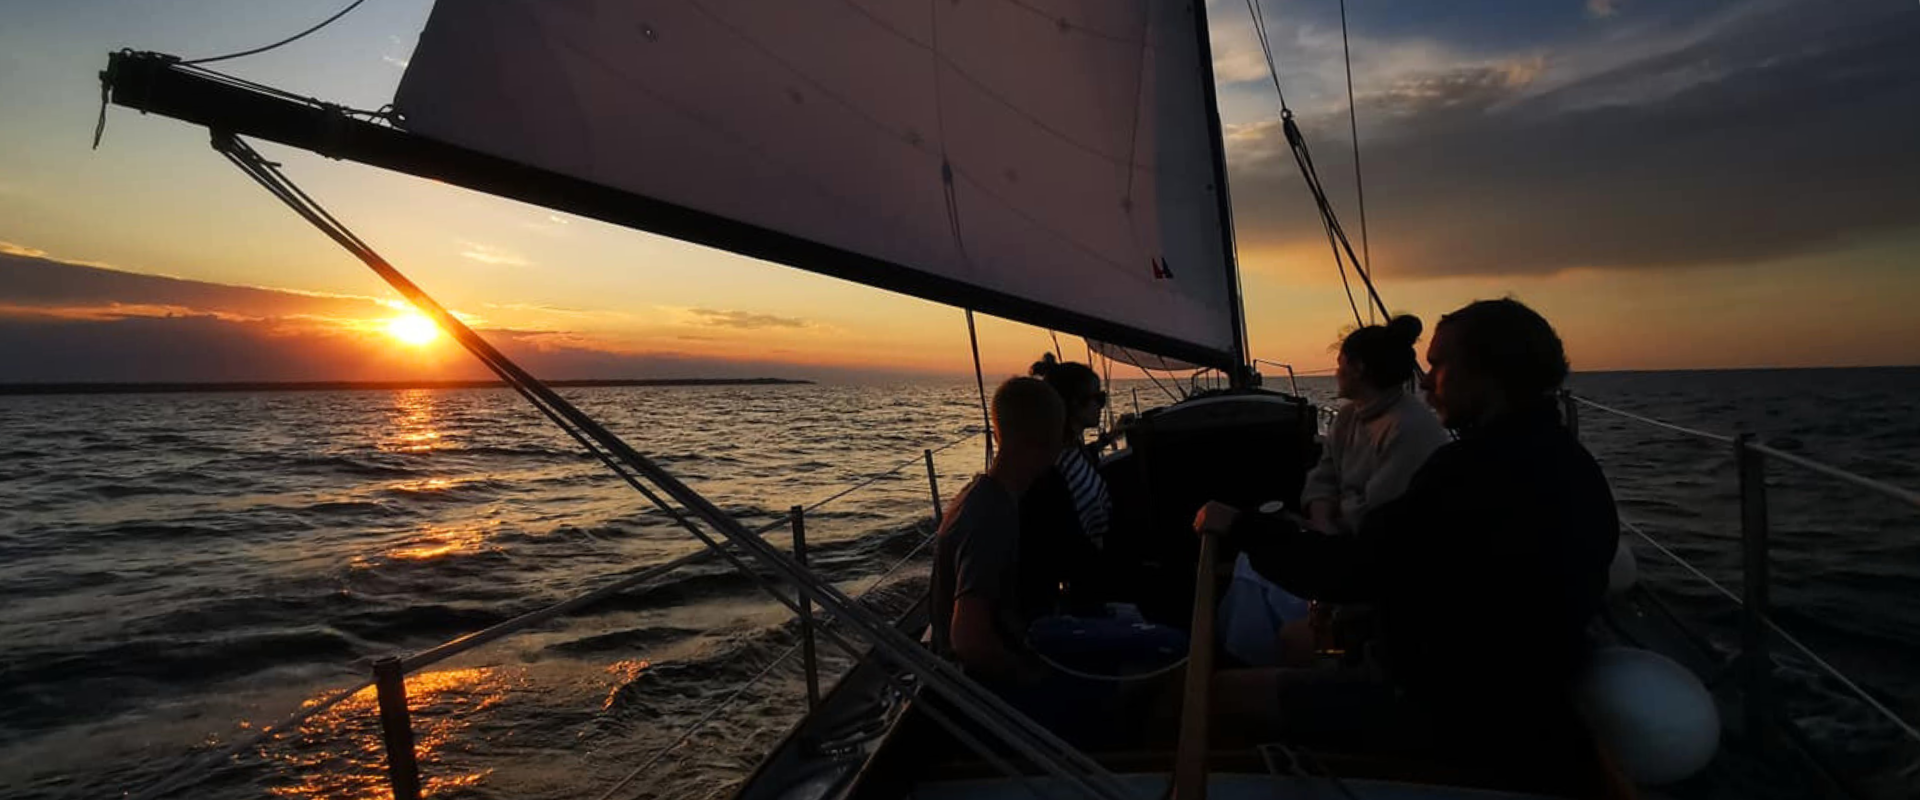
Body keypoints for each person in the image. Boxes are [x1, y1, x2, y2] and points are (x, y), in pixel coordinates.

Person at [1194, 299, 1619, 786]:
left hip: (1450, 710)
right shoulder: (1568, 464)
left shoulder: (1471, 471)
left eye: (1438, 365)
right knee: (1293, 641)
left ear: (1487, 372)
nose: (1424, 380)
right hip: (1508, 689)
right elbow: (1456, 581)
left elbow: (1352, 570)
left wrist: (1243, 527)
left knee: (1217, 697)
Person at [930, 376, 1065, 683]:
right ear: (1051, 441)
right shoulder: (992, 514)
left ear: (998, 433)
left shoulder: (974, 496)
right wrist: (1033, 677)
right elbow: (969, 640)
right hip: (985, 696)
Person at [1302, 315, 1451, 535]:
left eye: (1339, 364)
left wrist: (1330, 524)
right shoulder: (1348, 416)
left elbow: (1377, 511)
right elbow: (1324, 476)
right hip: (1335, 532)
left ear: (1358, 368)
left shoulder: (1409, 428)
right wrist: (1322, 520)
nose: (1336, 373)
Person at [1018, 353, 1114, 615]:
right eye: (1098, 399)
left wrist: (1110, 439)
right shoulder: (1051, 469)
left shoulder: (1073, 448)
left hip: (1094, 566)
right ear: (1073, 404)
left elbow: (1083, 460)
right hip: (1083, 588)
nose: (1101, 405)